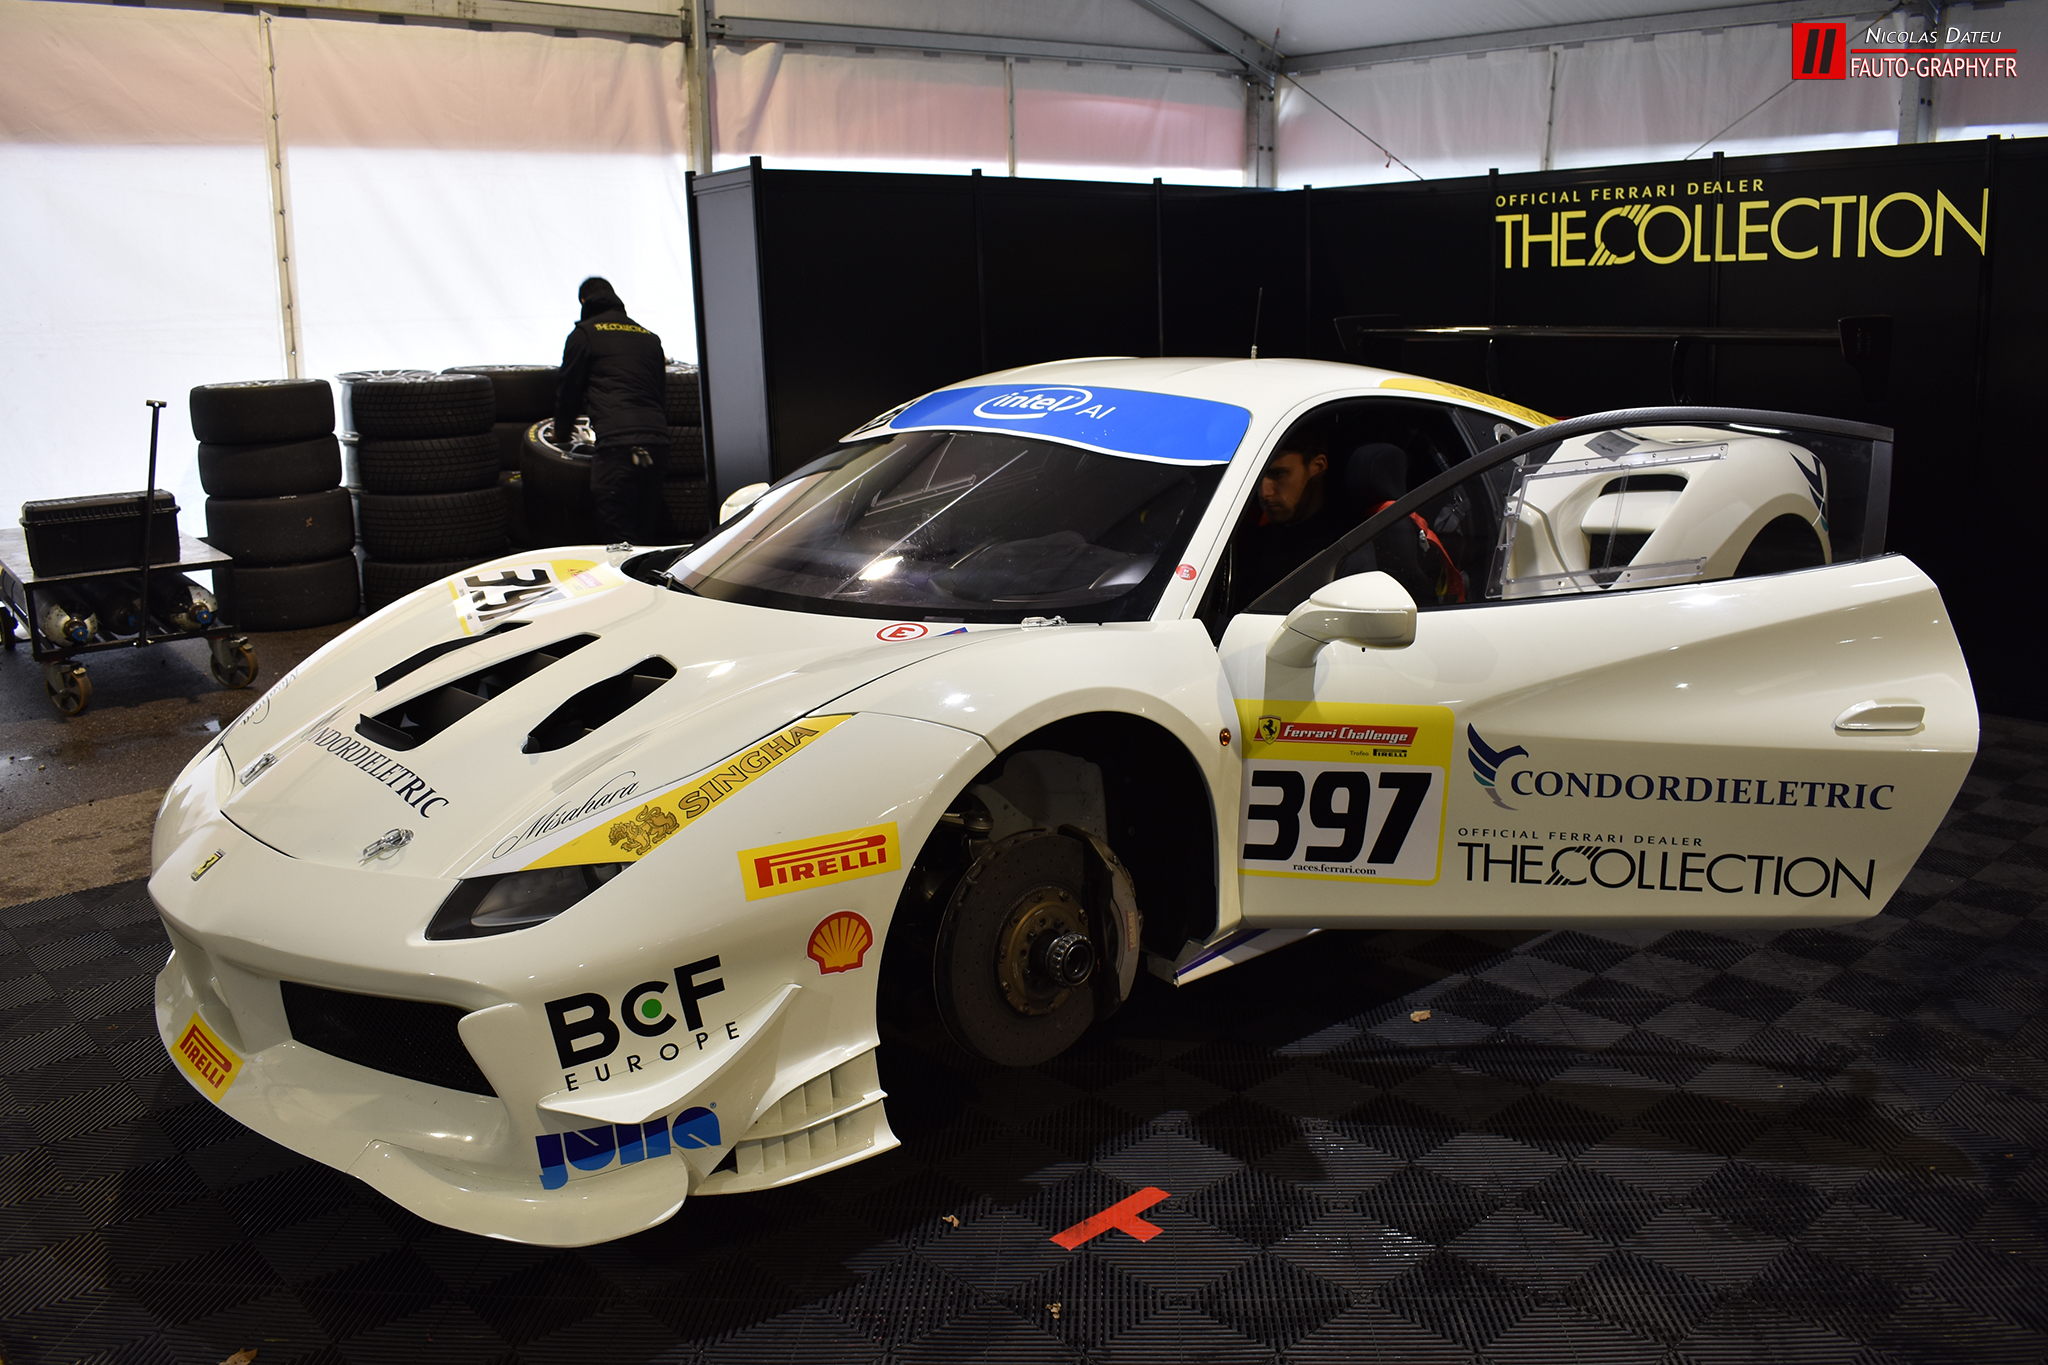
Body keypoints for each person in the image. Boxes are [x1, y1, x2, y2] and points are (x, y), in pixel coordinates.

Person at [555, 277, 670, 544]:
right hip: (657, 443)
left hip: (618, 446)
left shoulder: (584, 334)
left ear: (584, 301)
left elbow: (568, 391)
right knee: (646, 532)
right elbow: (660, 394)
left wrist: (561, 434)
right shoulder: (649, 337)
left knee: (617, 534)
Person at [1231, 438, 1350, 610]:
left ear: (1317, 466)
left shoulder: (1349, 546)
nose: (1264, 493)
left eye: (1278, 474)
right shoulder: (1249, 543)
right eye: (1258, 478)